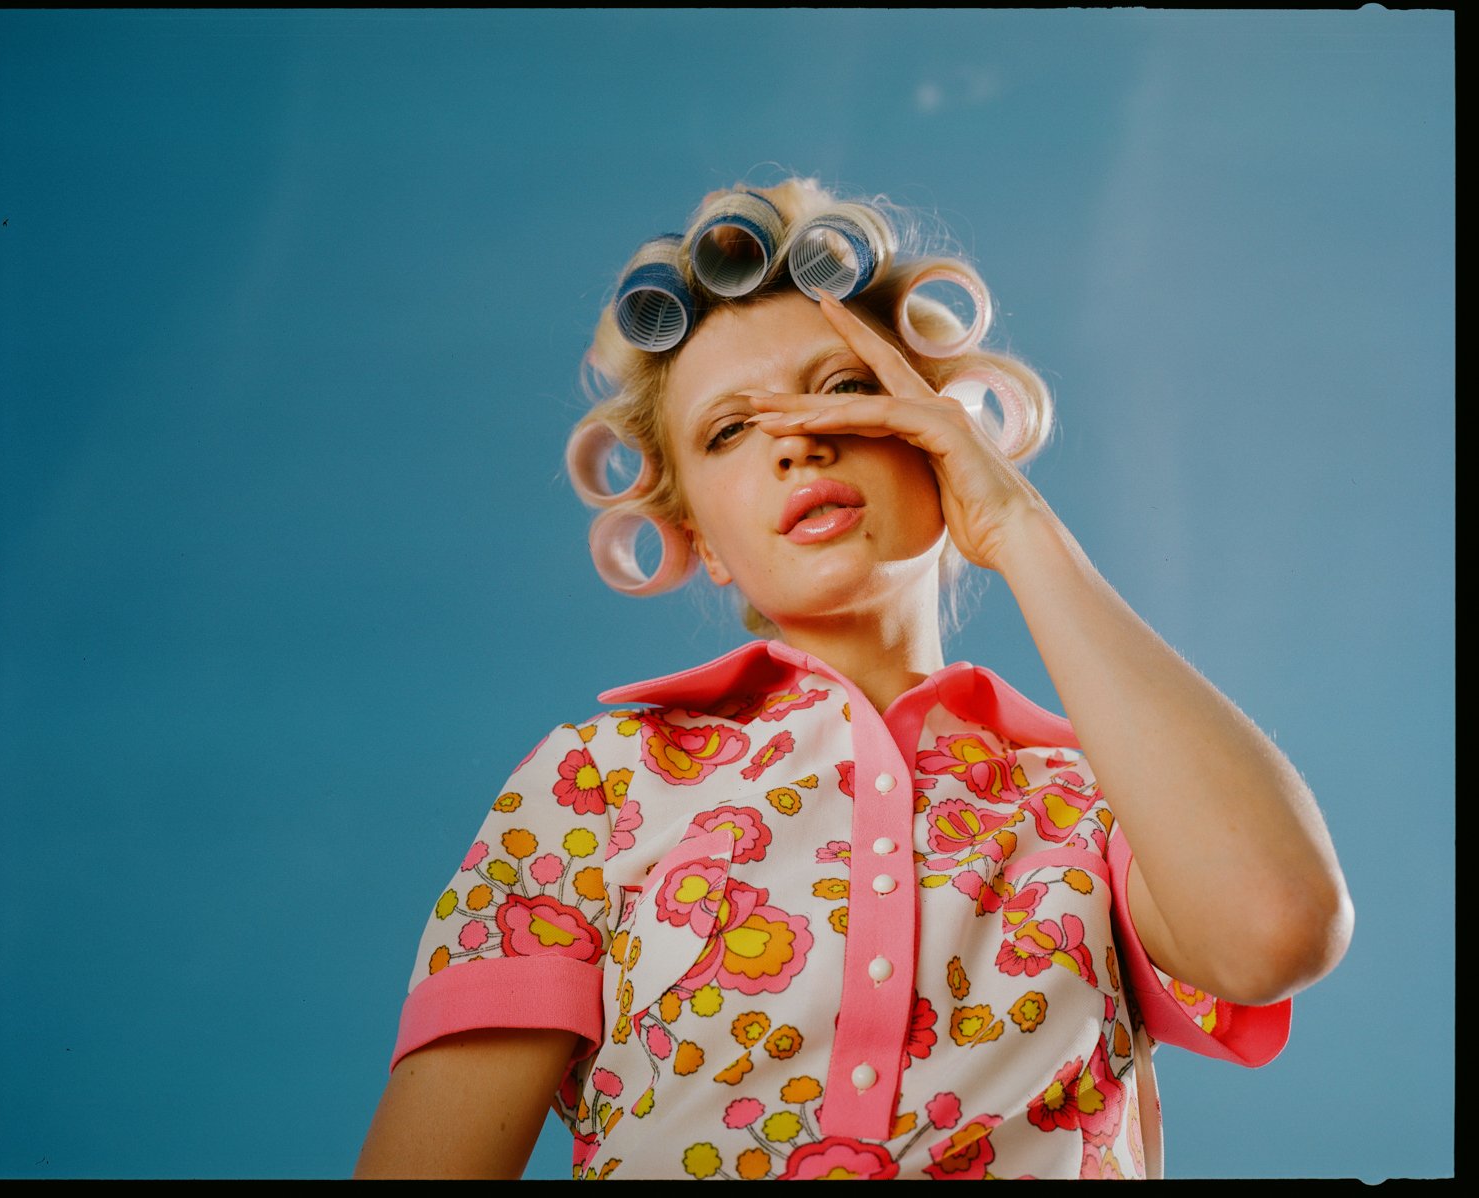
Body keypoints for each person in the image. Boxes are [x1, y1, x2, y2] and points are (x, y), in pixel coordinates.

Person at [354, 177, 1353, 1180]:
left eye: (843, 389)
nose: (798, 436)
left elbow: (1276, 927)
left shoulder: (1098, 805)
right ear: (700, 537)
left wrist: (1020, 527)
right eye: (730, 430)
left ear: (939, 433)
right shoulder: (593, 783)